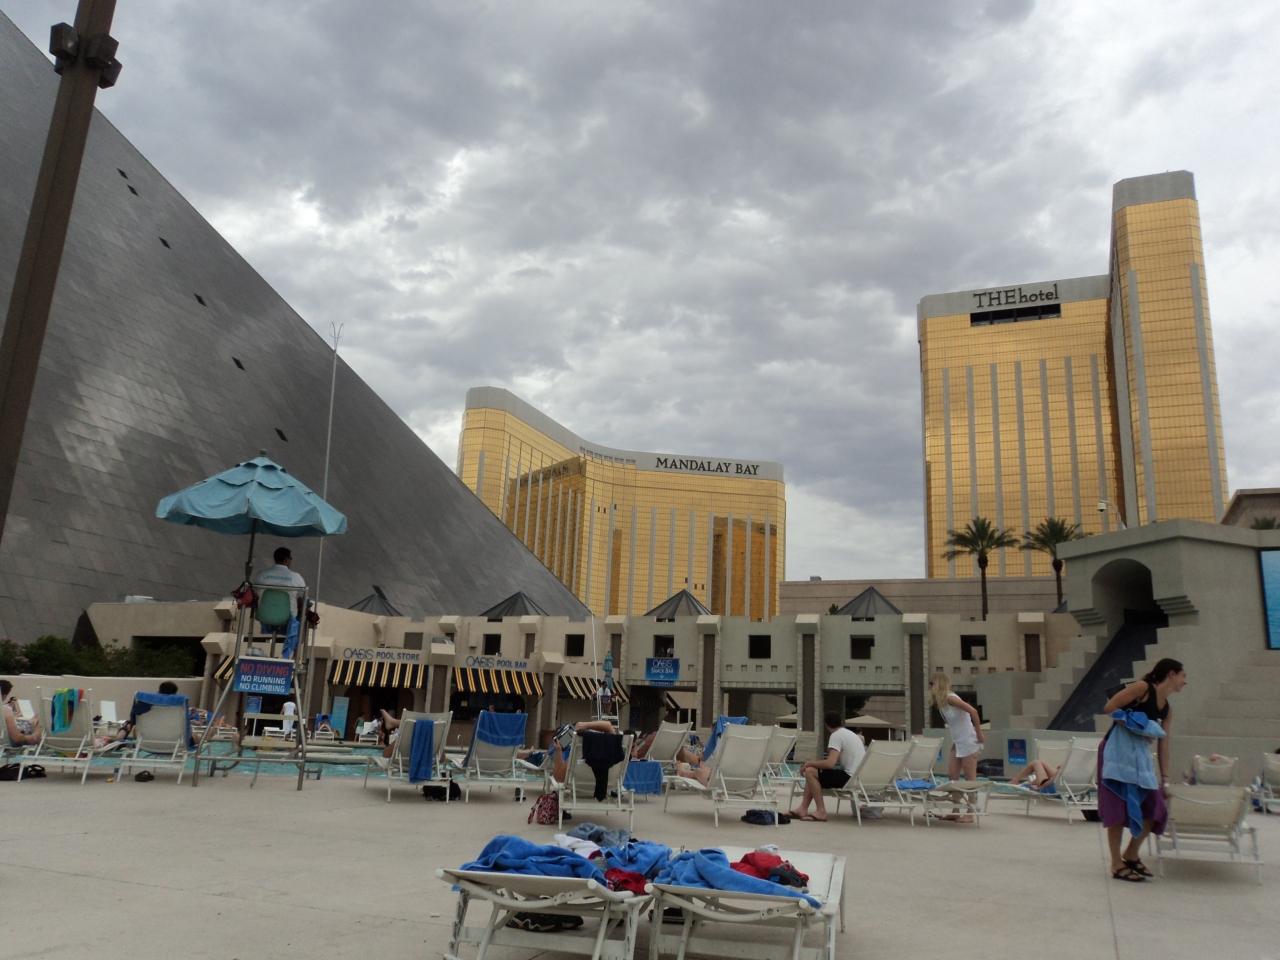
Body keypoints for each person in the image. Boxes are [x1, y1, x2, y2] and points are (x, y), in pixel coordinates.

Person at [1099, 657, 1186, 882]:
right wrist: (1133, 723)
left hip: (1139, 758)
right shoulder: (1142, 688)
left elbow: (1164, 743)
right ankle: (1116, 863)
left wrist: (1165, 777)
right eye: (1183, 676)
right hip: (1116, 753)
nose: (1185, 681)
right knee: (1117, 807)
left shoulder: (1167, 709)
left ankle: (1131, 854)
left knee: (1155, 807)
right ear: (1171, 674)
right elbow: (1109, 707)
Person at [787, 712, 866, 822]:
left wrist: (809, 763)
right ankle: (802, 809)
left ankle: (821, 811)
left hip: (849, 778)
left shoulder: (836, 735)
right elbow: (835, 760)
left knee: (810, 771)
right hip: (859, 778)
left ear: (826, 724)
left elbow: (830, 763)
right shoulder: (850, 734)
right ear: (841, 723)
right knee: (813, 773)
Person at [931, 673, 984, 781]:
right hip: (958, 742)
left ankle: (972, 793)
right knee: (952, 775)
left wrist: (979, 734)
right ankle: (956, 793)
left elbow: (973, 711)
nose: (930, 688)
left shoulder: (951, 698)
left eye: (932, 684)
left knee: (969, 778)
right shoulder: (942, 703)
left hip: (968, 740)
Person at [1, 679, 41, 747]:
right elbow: (17, 739)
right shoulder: (5, 710)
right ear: (4, 696)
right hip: (8, 745)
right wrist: (36, 732)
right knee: (36, 721)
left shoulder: (5, 710)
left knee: (29, 721)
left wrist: (14, 716)